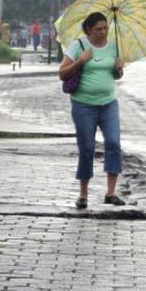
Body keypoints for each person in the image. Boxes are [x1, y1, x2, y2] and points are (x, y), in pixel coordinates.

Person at [58, 12, 125, 210]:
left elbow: (116, 75)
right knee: (87, 148)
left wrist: (119, 69)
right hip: (83, 105)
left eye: (105, 28)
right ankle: (83, 194)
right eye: (98, 29)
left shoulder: (114, 47)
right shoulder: (78, 46)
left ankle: (111, 193)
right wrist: (81, 60)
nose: (103, 32)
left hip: (109, 103)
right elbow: (62, 73)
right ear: (89, 30)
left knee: (113, 142)